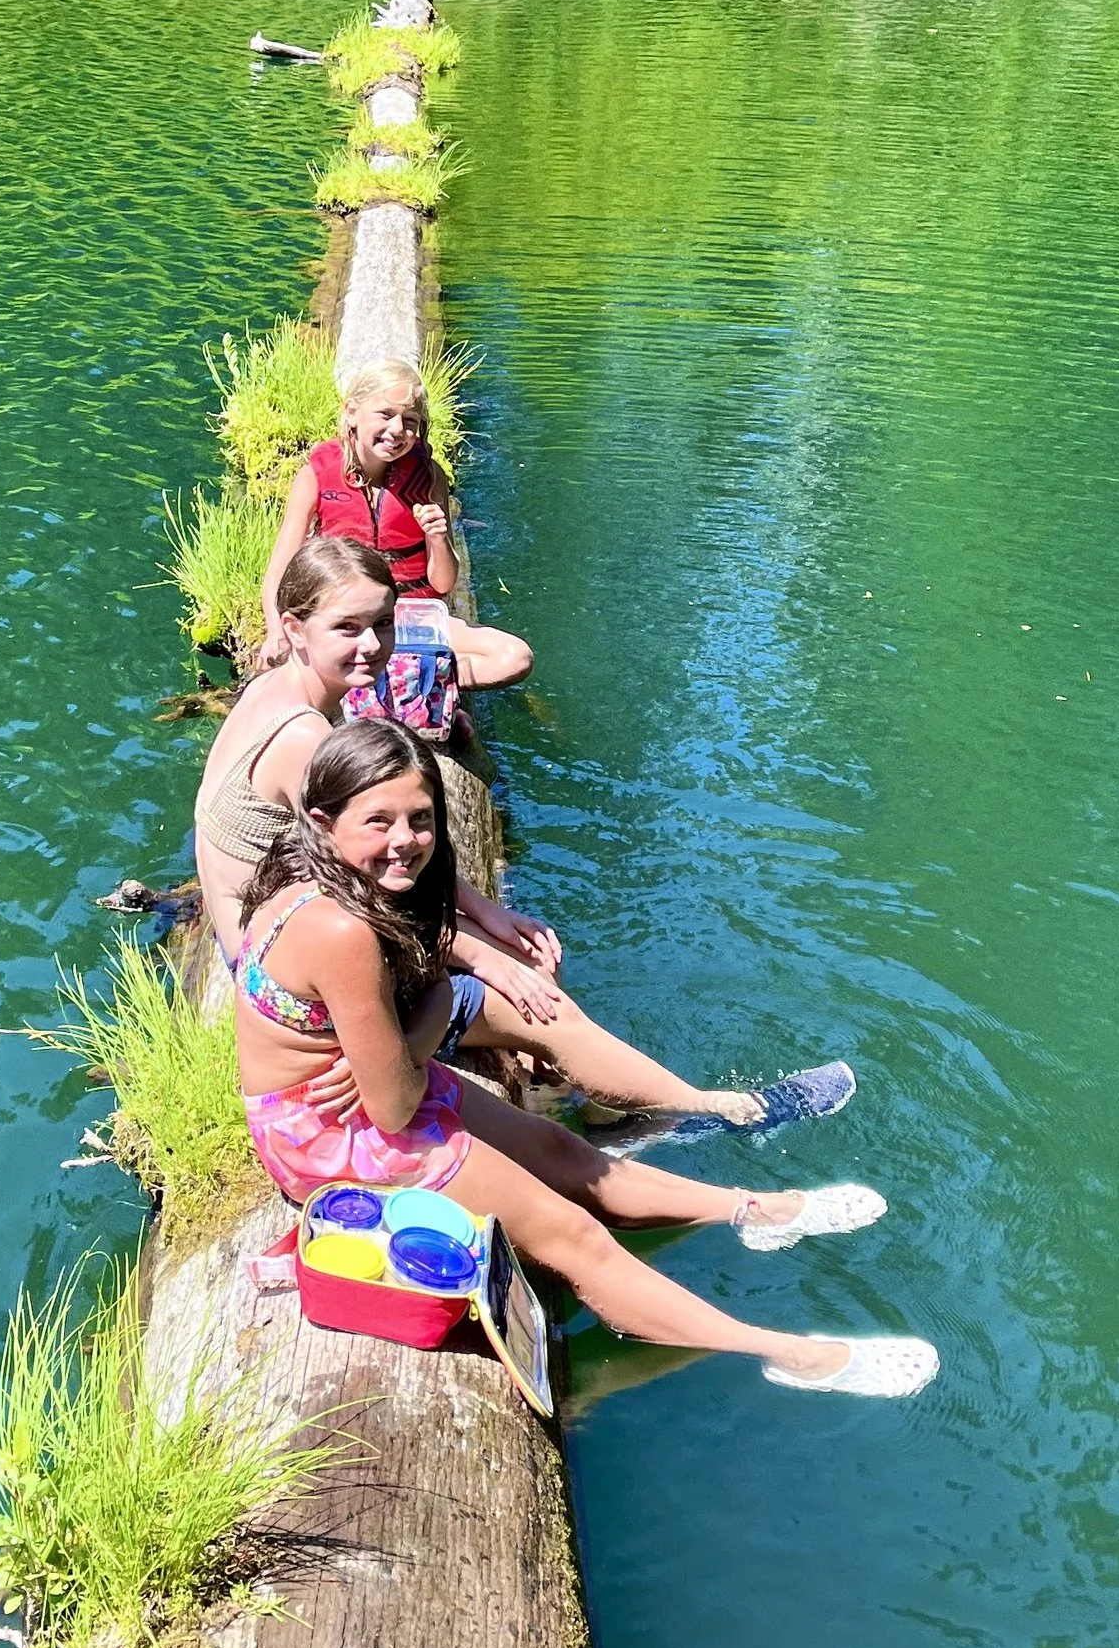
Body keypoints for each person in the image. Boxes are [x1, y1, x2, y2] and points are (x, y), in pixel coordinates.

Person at [232, 720, 936, 1397]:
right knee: (573, 1236)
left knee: (562, 1151)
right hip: (335, 1133)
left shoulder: (308, 876)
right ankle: (790, 1353)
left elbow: (385, 1062)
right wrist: (444, 1001)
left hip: (363, 1095)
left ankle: (754, 1208)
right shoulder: (339, 929)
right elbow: (390, 1103)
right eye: (378, 821)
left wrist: (432, 1007)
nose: (407, 841)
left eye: (421, 818)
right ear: (324, 822)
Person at [196, 537, 850, 1129]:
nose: (372, 644)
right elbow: (373, 880)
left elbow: (363, 866)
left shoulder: (276, 693)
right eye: (348, 627)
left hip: (280, 959)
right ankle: (722, 1112)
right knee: (533, 991)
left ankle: (583, 1094)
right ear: (295, 627)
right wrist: (487, 957)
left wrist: (485, 913)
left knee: (519, 955)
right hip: (299, 987)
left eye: (382, 623)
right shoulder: (308, 739)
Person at [259, 363, 532, 692]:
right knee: (278, 675)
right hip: (347, 618)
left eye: (409, 421)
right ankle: (407, 680)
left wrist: (438, 537)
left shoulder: (429, 477)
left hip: (410, 618)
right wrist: (275, 631)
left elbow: (443, 583)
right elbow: (280, 569)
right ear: (352, 413)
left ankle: (418, 679)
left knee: (515, 657)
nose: (396, 430)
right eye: (384, 414)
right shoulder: (316, 476)